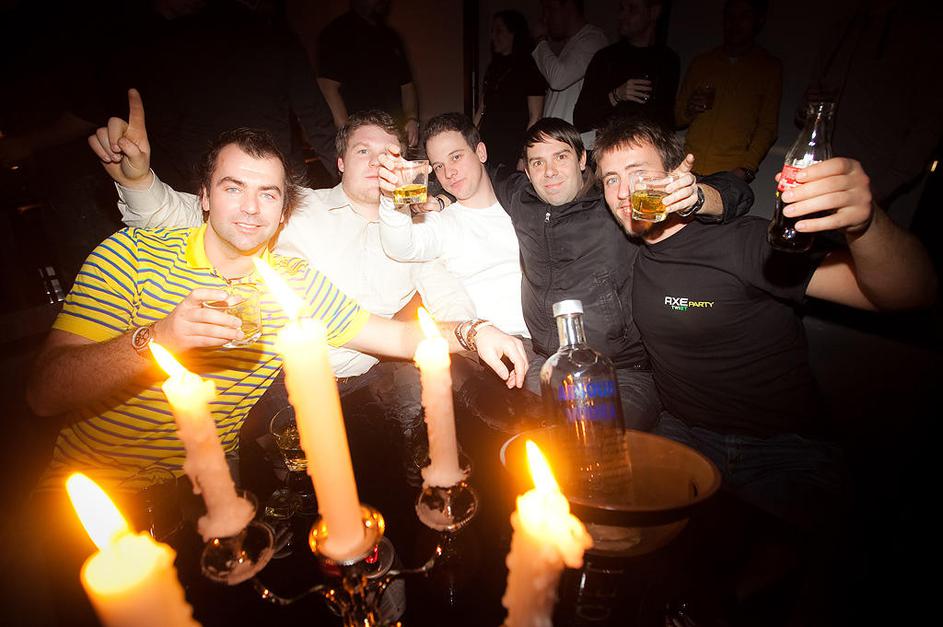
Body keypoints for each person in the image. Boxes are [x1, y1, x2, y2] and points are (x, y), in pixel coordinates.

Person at [27, 127, 527, 490]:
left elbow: (396, 335)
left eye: (267, 194)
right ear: (204, 197)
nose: (251, 208)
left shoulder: (292, 282)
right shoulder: (130, 255)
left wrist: (474, 331)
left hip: (214, 487)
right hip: (94, 485)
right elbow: (43, 394)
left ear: (282, 210)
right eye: (233, 188)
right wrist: (159, 337)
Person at [593, 115, 936, 529]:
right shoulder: (622, 249)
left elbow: (912, 293)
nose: (624, 192)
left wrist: (866, 224)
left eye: (638, 173)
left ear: (676, 175)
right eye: (611, 179)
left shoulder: (744, 242)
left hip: (782, 449)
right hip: (684, 436)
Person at [92, 91, 475, 394]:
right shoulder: (291, 204)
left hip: (363, 383)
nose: (378, 162)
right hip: (274, 382)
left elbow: (449, 298)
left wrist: (474, 336)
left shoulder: (415, 231)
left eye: (389, 154)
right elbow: (187, 214)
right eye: (363, 151)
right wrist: (137, 181)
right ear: (341, 162)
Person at [389, 116, 752, 429]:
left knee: (591, 439)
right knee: (508, 430)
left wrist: (698, 197)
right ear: (526, 169)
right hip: (545, 363)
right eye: (538, 162)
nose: (549, 172)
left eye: (561, 157)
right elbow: (469, 177)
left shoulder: (616, 205)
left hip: (620, 372)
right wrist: (440, 199)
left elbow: (735, 189)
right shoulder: (522, 197)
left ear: (582, 159)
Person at [377, 113, 529, 342]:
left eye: (456, 157)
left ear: (481, 152)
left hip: (550, 337)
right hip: (492, 345)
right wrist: (392, 198)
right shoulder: (441, 222)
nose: (448, 173)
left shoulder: (520, 206)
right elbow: (401, 246)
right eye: (439, 166)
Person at [798, 0, 943, 228]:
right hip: (812, 181)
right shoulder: (842, 29)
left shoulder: (922, 35)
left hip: (869, 190)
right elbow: (805, 109)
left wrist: (879, 190)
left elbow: (927, 128)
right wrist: (808, 107)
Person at [674, 0, 781, 182]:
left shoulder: (768, 68)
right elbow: (677, 118)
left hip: (728, 175)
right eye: (730, 16)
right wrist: (689, 110)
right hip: (686, 167)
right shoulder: (702, 63)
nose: (735, 23)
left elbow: (767, 127)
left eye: (744, 16)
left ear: (759, 20)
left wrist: (746, 168)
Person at [317, 0, 420, 148]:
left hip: (395, 134)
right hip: (362, 137)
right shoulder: (337, 32)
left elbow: (407, 85)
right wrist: (349, 137)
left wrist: (412, 119)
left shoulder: (392, 37)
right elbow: (327, 88)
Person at [573, 0, 679, 138]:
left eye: (632, 9)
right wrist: (617, 95)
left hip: (650, 147)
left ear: (654, 12)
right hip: (612, 148)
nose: (622, 16)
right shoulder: (606, 58)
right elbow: (580, 120)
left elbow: (667, 119)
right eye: (622, 8)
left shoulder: (669, 60)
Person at [475, 10, 546, 170]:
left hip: (513, 149)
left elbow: (535, 116)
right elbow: (482, 109)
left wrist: (524, 156)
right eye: (492, 31)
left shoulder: (529, 67)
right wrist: (470, 141)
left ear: (514, 33)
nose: (493, 36)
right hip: (487, 146)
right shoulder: (493, 67)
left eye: (499, 31)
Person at [531, 0, 609, 145]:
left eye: (550, 9)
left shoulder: (593, 39)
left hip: (577, 144)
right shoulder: (572, 44)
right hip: (562, 142)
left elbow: (558, 79)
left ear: (569, 7)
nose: (545, 18)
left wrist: (540, 40)